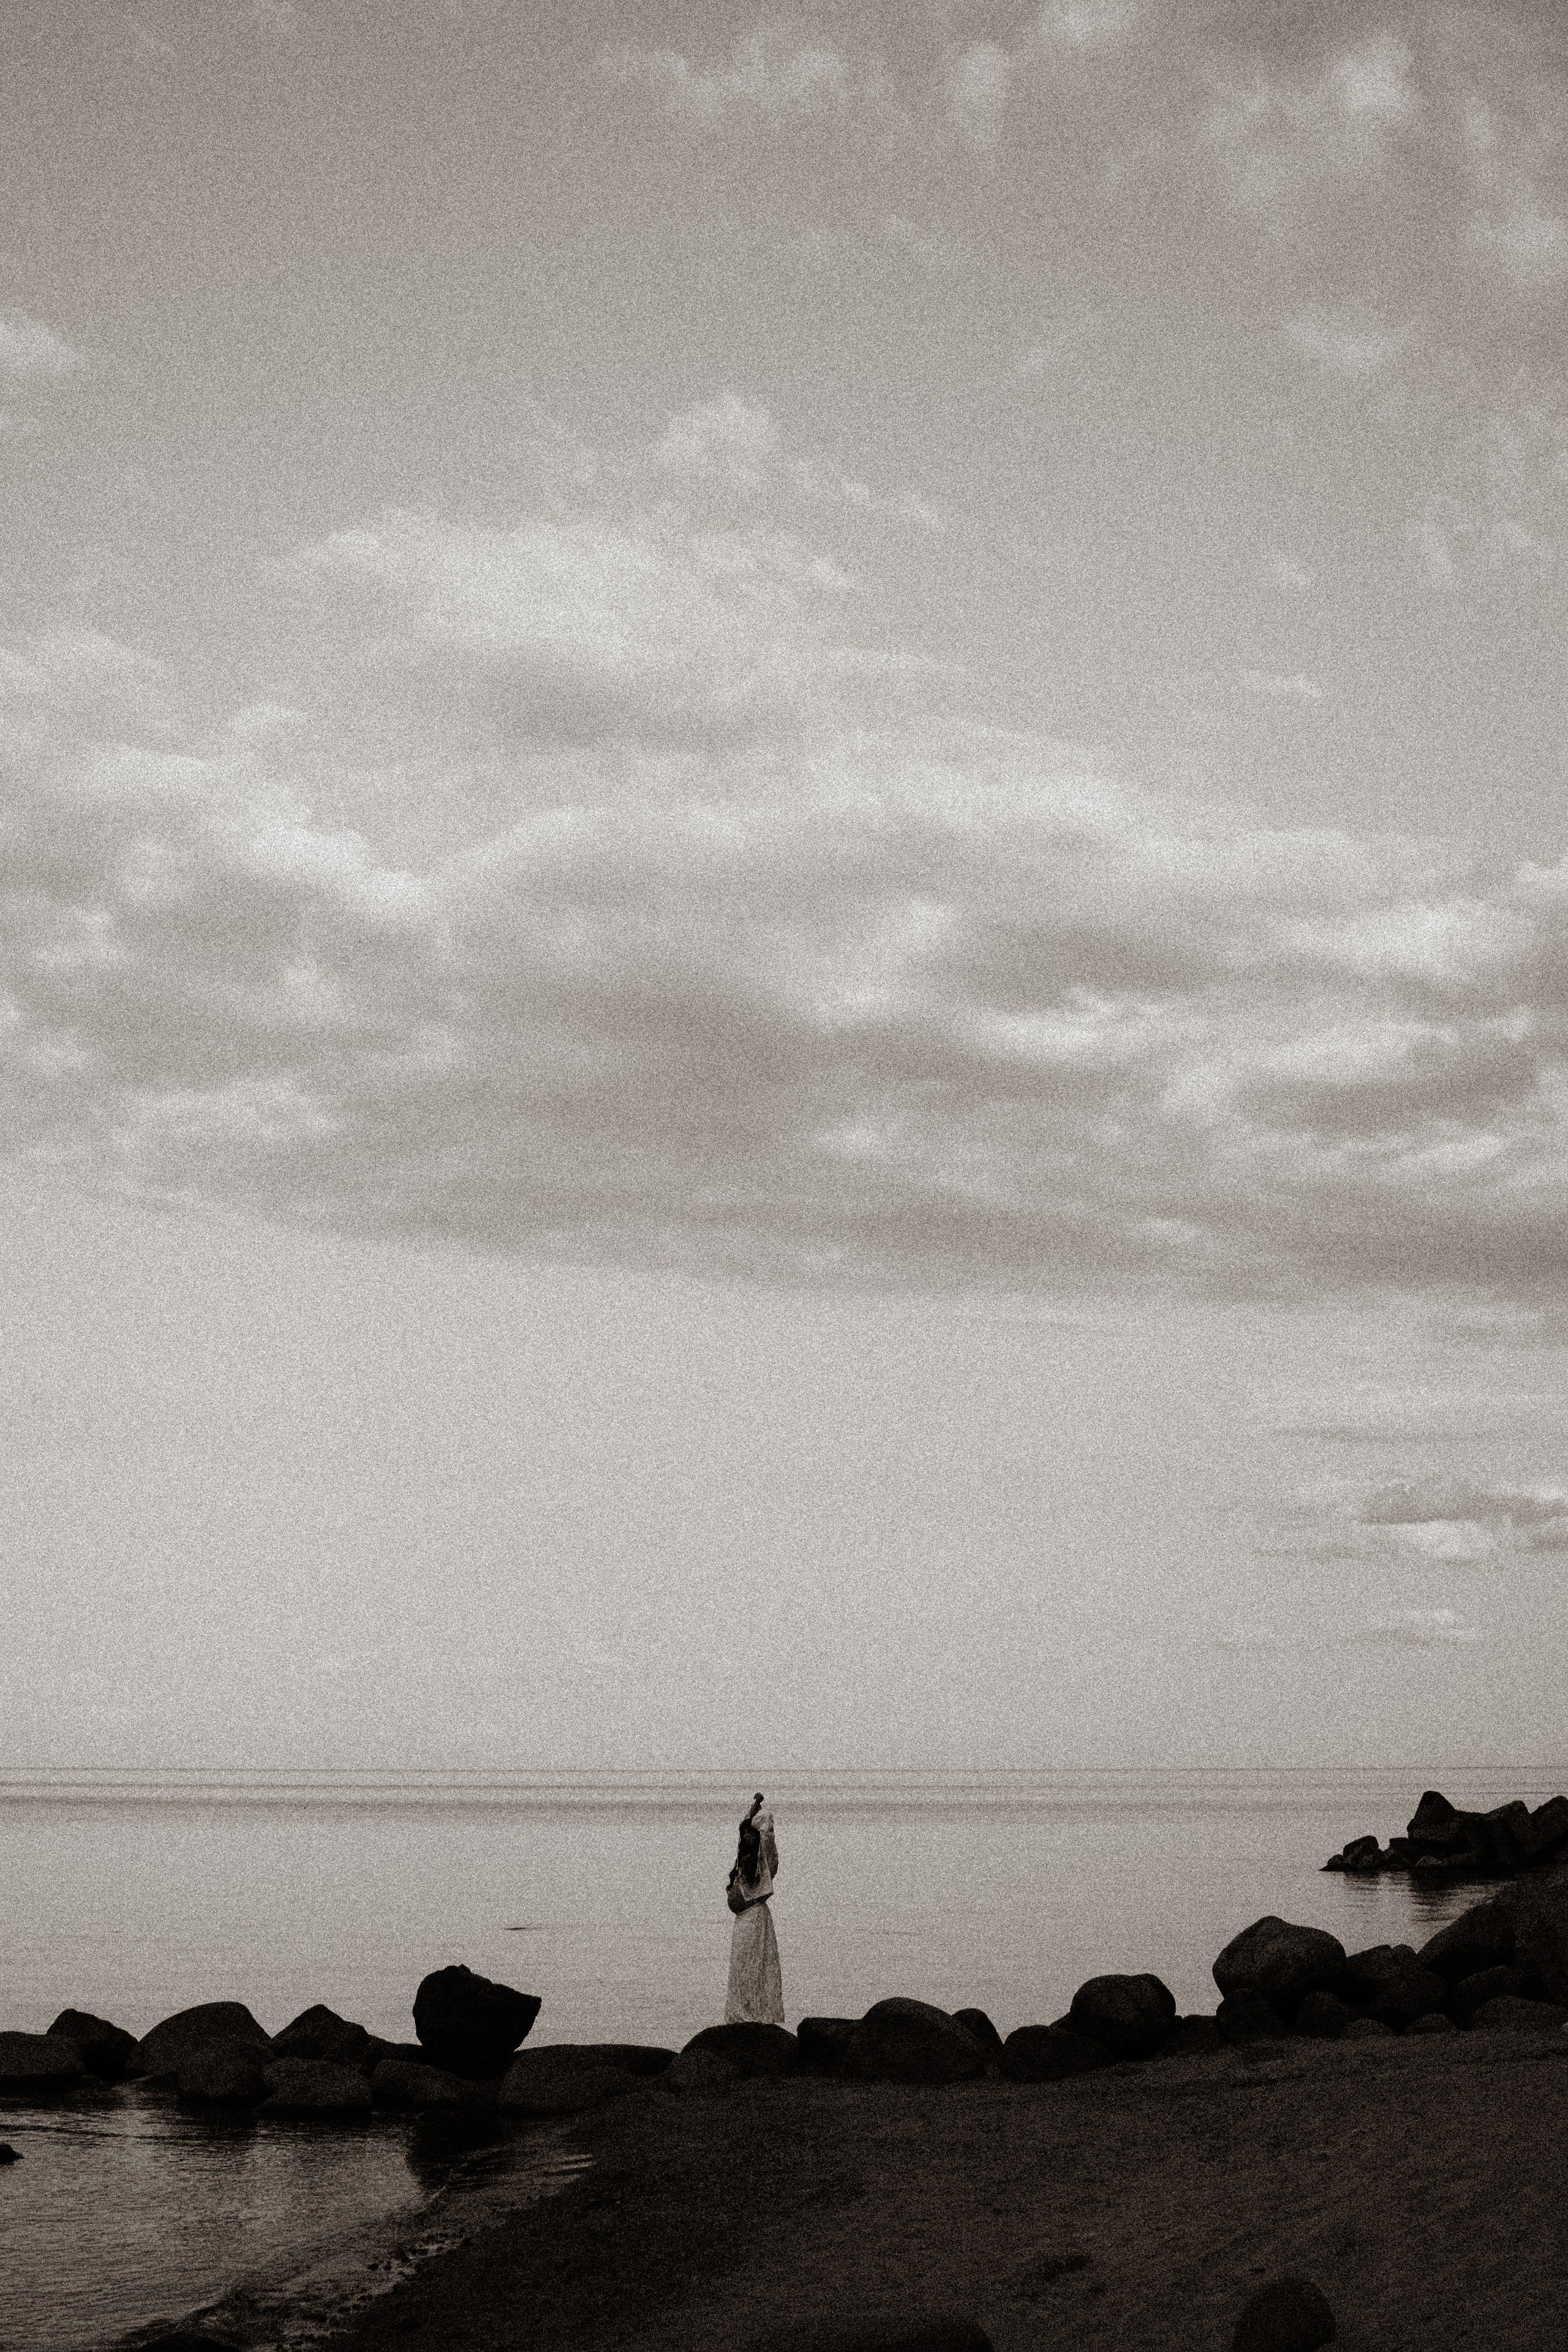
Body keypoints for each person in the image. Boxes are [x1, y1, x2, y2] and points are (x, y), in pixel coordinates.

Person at [724, 1790, 783, 2025]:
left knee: (754, 1965)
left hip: (755, 1919)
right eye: (744, 1837)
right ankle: (744, 2013)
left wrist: (758, 1816)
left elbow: (767, 1838)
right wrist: (752, 1811)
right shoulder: (744, 1862)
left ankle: (754, 2014)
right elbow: (750, 1827)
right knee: (743, 1966)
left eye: (750, 1837)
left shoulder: (765, 1865)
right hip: (745, 1921)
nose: (746, 1840)